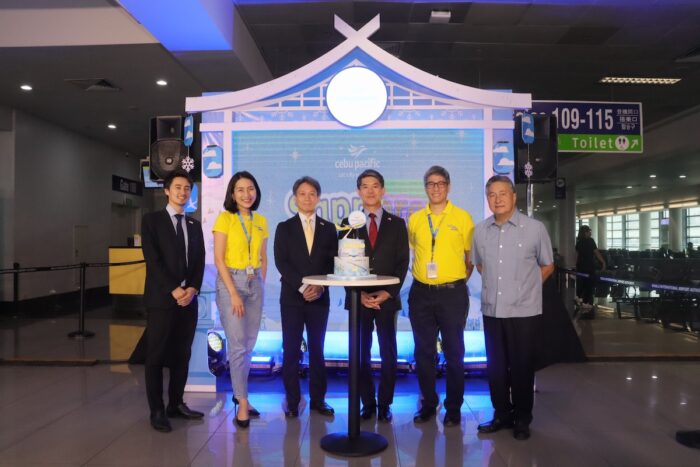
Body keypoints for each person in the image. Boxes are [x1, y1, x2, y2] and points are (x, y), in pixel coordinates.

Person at [471, 175, 555, 441]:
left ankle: (522, 417)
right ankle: (501, 414)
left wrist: (525, 288)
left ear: (513, 196)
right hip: (492, 310)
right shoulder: (480, 230)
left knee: (521, 366)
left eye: (502, 193)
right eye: (492, 195)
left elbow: (547, 265)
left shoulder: (534, 228)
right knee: (495, 367)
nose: (497, 199)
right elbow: (480, 265)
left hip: (523, 311)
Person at [407, 166, 474, 427]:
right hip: (421, 293)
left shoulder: (463, 218)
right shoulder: (414, 219)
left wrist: (453, 282)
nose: (435, 188)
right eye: (430, 184)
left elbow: (470, 259)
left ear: (448, 186)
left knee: (455, 352)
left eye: (440, 183)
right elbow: (415, 252)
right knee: (423, 353)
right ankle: (428, 404)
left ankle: (454, 407)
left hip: (452, 294)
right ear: (425, 187)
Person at [341, 169, 409, 423]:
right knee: (360, 354)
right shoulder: (349, 223)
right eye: (365, 186)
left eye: (375, 186)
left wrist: (387, 292)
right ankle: (367, 402)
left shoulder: (397, 224)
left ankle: (384, 404)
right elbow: (343, 263)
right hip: (358, 300)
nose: (370, 191)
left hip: (386, 300)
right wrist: (356, 294)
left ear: (383, 190)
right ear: (359, 191)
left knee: (388, 352)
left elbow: (403, 263)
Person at [141, 169, 205, 433]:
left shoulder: (194, 224)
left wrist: (192, 289)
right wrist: (173, 289)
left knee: (182, 355)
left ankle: (175, 404)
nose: (183, 192)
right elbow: (152, 260)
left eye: (187, 188)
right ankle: (157, 410)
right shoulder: (152, 221)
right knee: (155, 356)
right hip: (162, 300)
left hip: (188, 302)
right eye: (178, 187)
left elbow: (199, 262)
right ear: (167, 190)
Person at [274, 176, 338, 418]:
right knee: (291, 350)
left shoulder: (329, 228)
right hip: (292, 297)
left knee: (317, 349)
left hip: (319, 298)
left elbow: (334, 264)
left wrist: (320, 287)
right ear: (295, 198)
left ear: (318, 197)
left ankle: (318, 400)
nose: (307, 198)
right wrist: (304, 287)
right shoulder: (284, 227)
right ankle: (292, 401)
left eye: (312, 193)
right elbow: (283, 263)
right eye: (302, 194)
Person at [213, 171, 268, 429]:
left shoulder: (261, 221)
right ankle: (242, 402)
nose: (247, 194)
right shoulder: (225, 219)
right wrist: (234, 292)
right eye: (240, 190)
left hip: (254, 282)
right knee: (236, 346)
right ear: (232, 195)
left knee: (248, 345)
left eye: (251, 189)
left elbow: (263, 257)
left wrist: (261, 283)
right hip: (231, 283)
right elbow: (218, 259)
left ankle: (241, 394)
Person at [575, 224, 606, 317]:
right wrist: (603, 262)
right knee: (589, 286)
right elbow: (596, 253)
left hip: (580, 267)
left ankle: (580, 301)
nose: (590, 232)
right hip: (589, 267)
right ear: (586, 232)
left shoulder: (579, 242)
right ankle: (588, 304)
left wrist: (575, 266)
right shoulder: (591, 241)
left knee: (581, 285)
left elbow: (577, 255)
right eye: (589, 231)